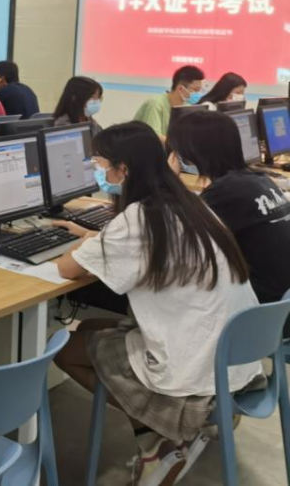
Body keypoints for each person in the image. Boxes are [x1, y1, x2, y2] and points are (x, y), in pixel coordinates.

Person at [52, 122, 263, 483]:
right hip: (235, 357)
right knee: (90, 327)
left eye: (100, 163)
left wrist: (78, 243)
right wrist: (96, 237)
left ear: (124, 169)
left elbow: (67, 269)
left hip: (196, 369)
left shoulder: (139, 219)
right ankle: (156, 441)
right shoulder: (190, 204)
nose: (98, 171)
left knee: (65, 351)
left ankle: (158, 438)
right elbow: (133, 243)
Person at [168, 110, 290, 304]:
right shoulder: (259, 180)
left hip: (259, 302)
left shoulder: (224, 194)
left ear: (193, 153)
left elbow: (177, 237)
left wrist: (169, 180)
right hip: (280, 299)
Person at [133, 65, 205, 137]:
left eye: (200, 90)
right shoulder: (156, 104)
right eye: (196, 90)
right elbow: (155, 137)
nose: (198, 94)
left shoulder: (187, 107)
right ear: (180, 89)